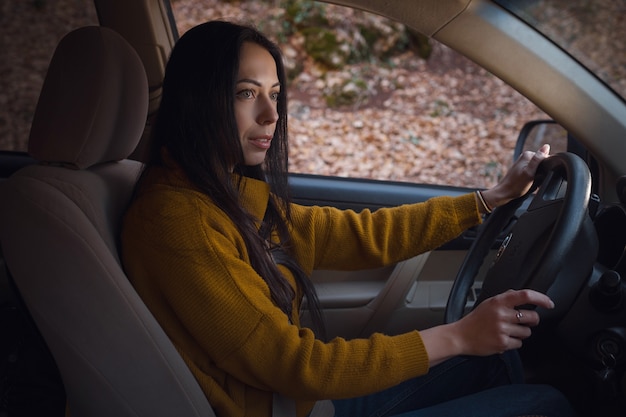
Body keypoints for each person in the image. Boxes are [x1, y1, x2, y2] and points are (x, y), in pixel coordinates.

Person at [121, 20, 576, 417]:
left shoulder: (222, 197)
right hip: (289, 408)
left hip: (300, 406)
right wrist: (457, 336)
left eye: (275, 95)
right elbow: (300, 366)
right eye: (246, 94)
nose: (271, 114)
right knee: (546, 405)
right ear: (198, 99)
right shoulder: (177, 221)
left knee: (498, 361)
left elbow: (362, 235)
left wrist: (488, 198)